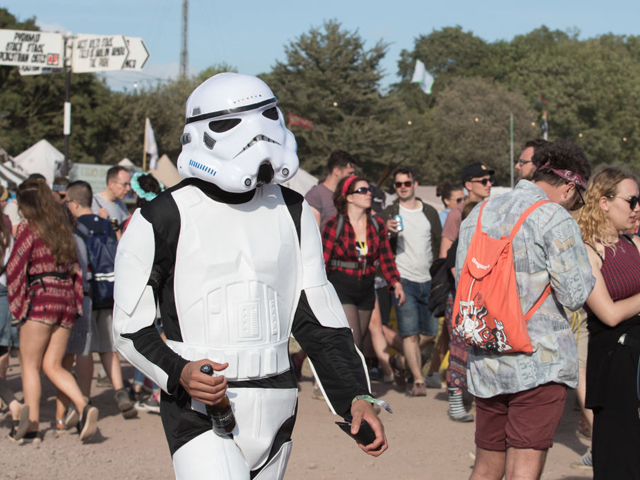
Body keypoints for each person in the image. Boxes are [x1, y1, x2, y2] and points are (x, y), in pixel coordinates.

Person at [113, 73, 388, 480]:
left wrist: (355, 397)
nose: (257, 135)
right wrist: (179, 371)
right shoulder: (161, 216)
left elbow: (317, 316)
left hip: (278, 401)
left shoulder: (294, 212)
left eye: (267, 117)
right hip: (199, 405)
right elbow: (129, 328)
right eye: (234, 122)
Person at [457, 139, 595, 480]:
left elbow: (461, 276)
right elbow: (575, 293)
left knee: (486, 467)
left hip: (487, 355)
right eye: (579, 199)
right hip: (538, 360)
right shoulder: (552, 216)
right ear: (567, 186)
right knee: (524, 470)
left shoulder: (479, 212)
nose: (576, 206)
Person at [7, 179, 98, 442]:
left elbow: (16, 266)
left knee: (30, 366)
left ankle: (33, 424)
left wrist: (18, 302)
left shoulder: (29, 228)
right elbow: (75, 270)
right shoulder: (62, 229)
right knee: (53, 365)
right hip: (66, 301)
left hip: (41, 299)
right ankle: (83, 405)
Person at [575, 166, 640, 478]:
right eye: (631, 201)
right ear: (604, 203)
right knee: (619, 458)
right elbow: (609, 314)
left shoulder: (634, 244)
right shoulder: (587, 252)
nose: (637, 207)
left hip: (635, 359)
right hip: (613, 365)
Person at [65, 180, 138, 419]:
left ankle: (85, 399)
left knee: (84, 350)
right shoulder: (107, 224)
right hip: (108, 290)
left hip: (86, 294)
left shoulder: (74, 228)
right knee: (108, 347)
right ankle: (119, 391)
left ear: (74, 202)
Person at [323, 175, 406, 351]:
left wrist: (395, 283)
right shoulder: (334, 225)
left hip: (367, 288)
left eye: (369, 189)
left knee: (357, 346)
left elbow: (386, 258)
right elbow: (323, 260)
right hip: (341, 285)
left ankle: (346, 376)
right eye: (362, 190)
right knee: (352, 340)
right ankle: (344, 377)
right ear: (349, 197)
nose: (369, 193)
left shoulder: (377, 225)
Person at [382, 166, 441, 396]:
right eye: (398, 184)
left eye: (407, 183)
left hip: (428, 279)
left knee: (430, 333)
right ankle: (418, 380)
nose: (403, 188)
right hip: (402, 279)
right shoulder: (390, 212)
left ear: (415, 184)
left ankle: (401, 361)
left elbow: (438, 243)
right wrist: (386, 231)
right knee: (410, 334)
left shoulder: (430, 212)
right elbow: (380, 242)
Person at [442, 201, 477, 422]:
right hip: (460, 307)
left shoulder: (482, 243)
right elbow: (459, 277)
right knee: (459, 354)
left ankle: (473, 401)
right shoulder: (460, 244)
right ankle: (456, 404)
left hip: (475, 308)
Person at [440, 162, 494, 258]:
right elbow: (445, 253)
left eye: (491, 180)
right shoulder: (456, 213)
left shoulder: (493, 210)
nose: (489, 184)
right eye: (484, 181)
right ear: (469, 185)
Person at [305, 150, 356, 229]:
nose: (353, 177)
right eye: (350, 173)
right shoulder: (315, 196)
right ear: (337, 171)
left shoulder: (348, 196)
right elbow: (313, 232)